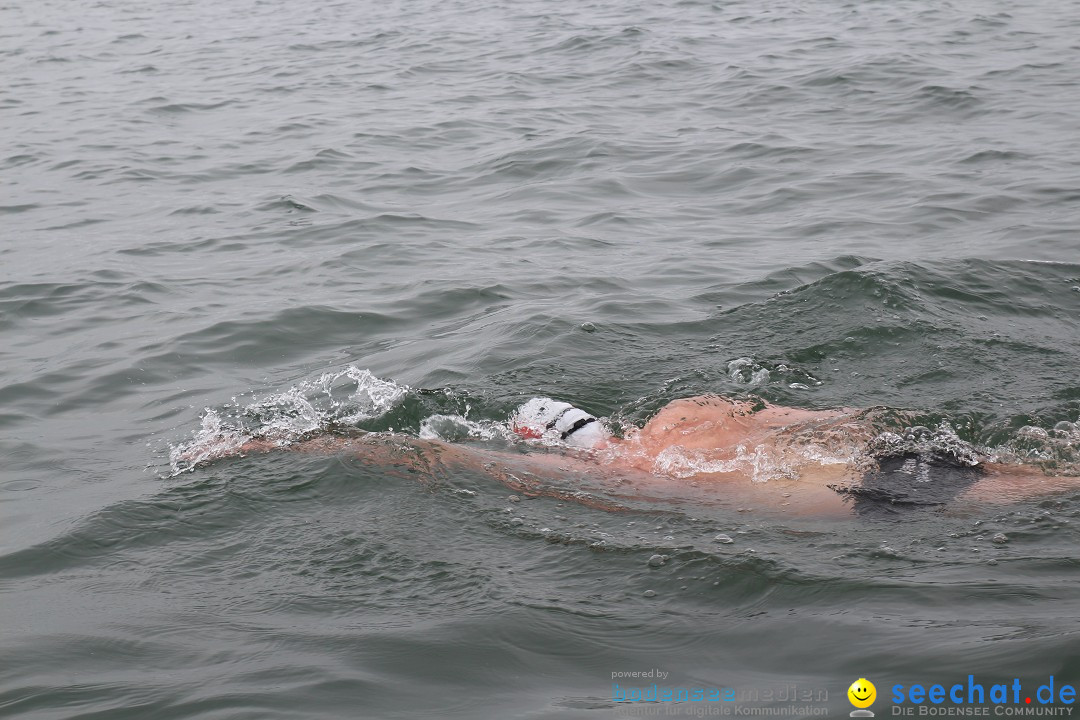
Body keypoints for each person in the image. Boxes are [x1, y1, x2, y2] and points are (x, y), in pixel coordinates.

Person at [214, 394, 1065, 515]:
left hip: (853, 496)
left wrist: (270, 443)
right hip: (895, 450)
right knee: (1052, 478)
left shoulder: (630, 472)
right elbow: (853, 415)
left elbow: (427, 457)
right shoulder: (691, 413)